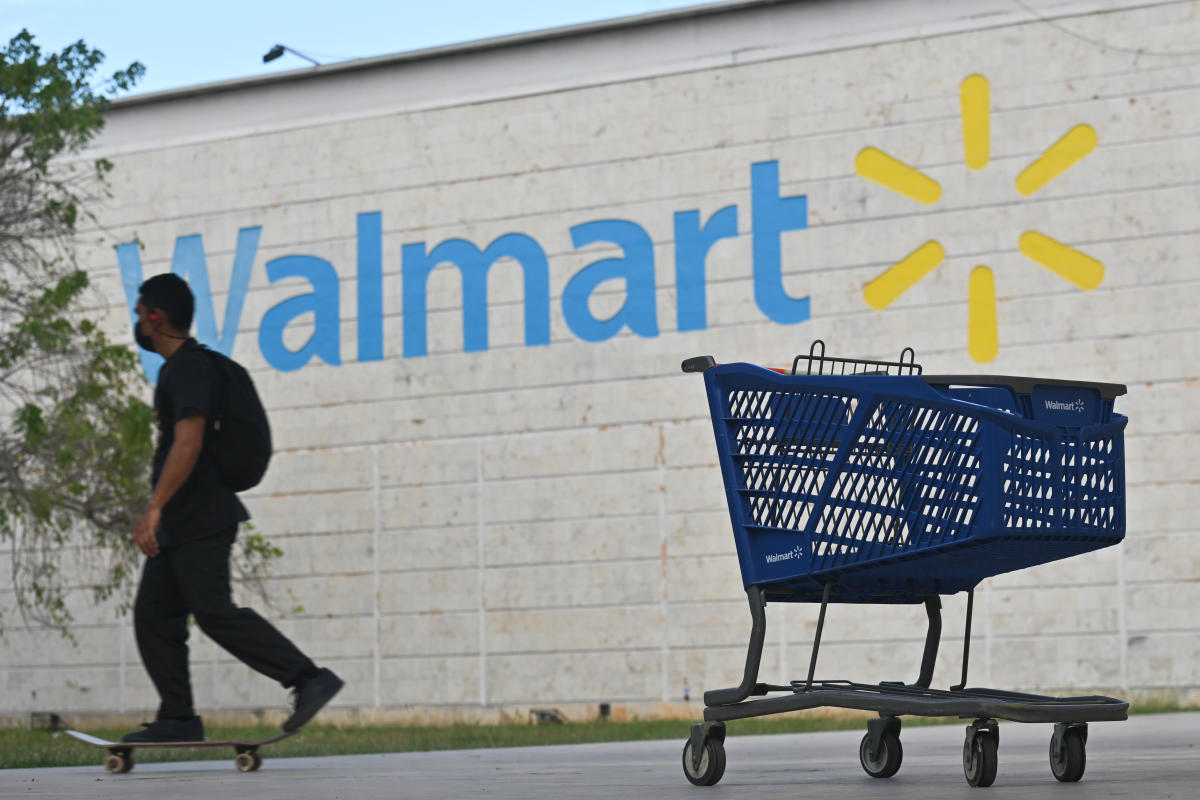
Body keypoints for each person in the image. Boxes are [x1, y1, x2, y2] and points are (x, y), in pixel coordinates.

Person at [122, 273, 342, 743]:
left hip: (199, 516)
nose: (136, 322)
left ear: (156, 317)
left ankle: (308, 678)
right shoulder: (190, 367)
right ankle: (178, 718)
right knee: (154, 615)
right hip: (185, 521)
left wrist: (154, 508)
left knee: (214, 611)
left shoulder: (186, 369)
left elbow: (189, 439)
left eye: (139, 313)